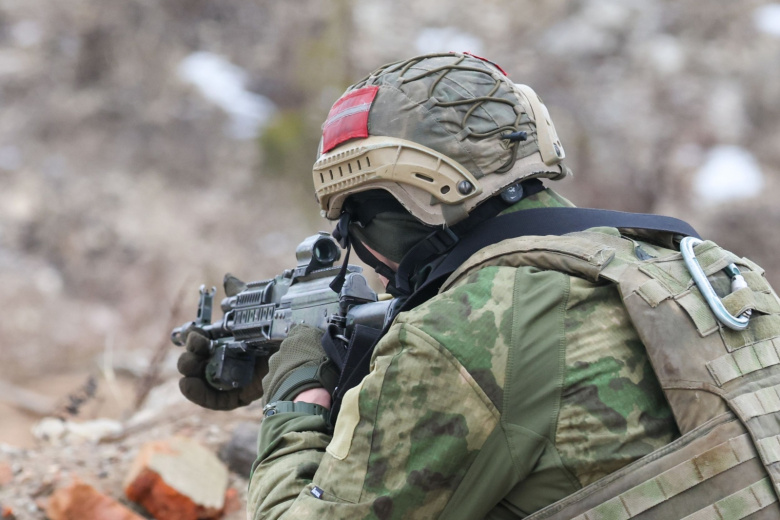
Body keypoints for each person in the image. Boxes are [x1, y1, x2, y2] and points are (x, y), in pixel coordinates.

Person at [179, 53, 780, 519]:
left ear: (419, 198)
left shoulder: (462, 333)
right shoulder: (697, 268)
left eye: (361, 221)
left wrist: (296, 399)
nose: (370, 256)